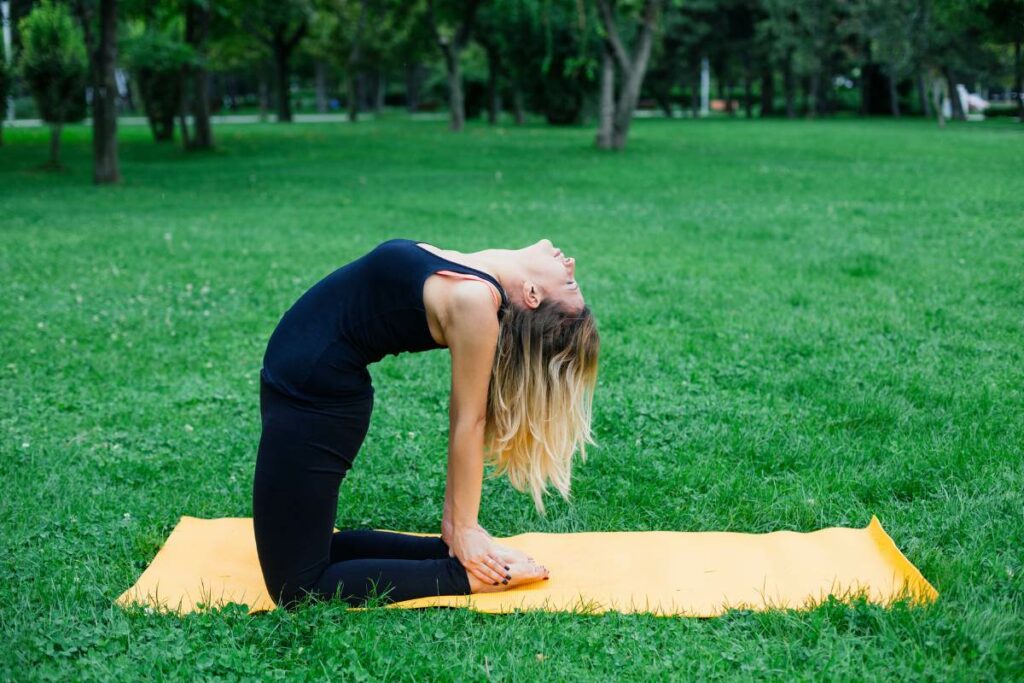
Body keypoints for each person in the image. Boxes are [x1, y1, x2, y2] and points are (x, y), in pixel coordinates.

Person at [252, 238, 600, 608]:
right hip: (300, 388)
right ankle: (456, 558)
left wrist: (464, 527)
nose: (571, 264)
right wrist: (453, 532)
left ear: (531, 294)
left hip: (313, 400)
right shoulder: (474, 270)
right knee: (307, 553)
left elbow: (468, 420)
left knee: (296, 589)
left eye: (568, 284)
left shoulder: (475, 301)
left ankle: (466, 576)